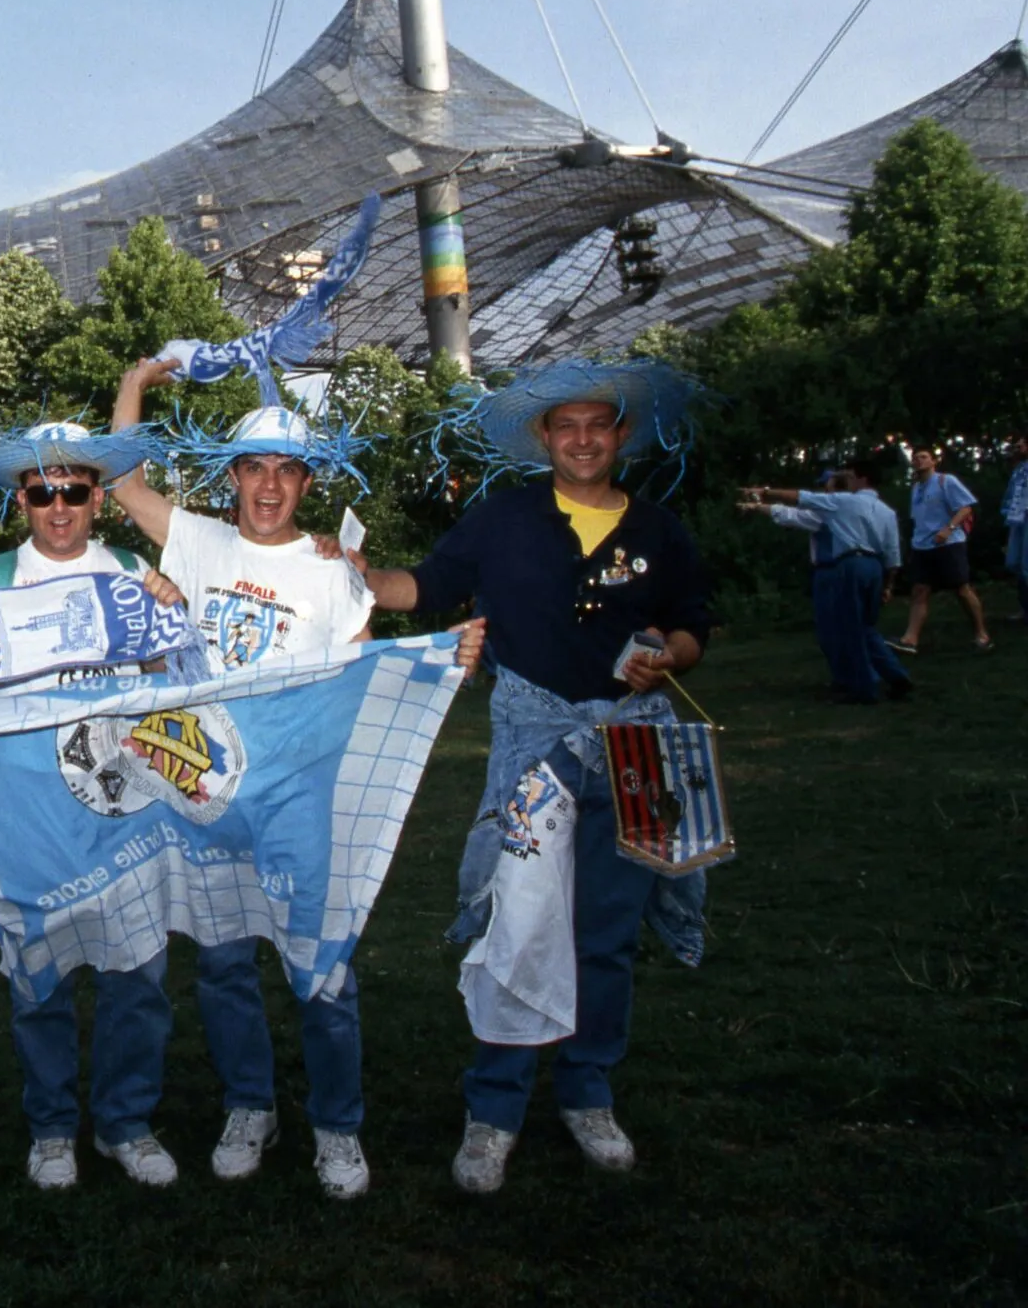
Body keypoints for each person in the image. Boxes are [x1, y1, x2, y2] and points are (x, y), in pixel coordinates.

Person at [108, 359, 470, 1200]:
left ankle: (338, 1126)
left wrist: (444, 657)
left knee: (323, 962)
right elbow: (122, 476)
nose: (269, 485)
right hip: (208, 792)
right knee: (226, 963)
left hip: (302, 797)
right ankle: (250, 1105)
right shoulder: (196, 540)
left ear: (306, 481)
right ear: (233, 476)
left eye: (287, 469)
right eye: (254, 467)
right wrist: (138, 379)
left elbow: (362, 678)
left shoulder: (332, 569)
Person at [356, 359, 710, 1194]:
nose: (583, 439)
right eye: (566, 426)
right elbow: (429, 585)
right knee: (516, 922)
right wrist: (364, 579)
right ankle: (496, 1108)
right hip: (535, 747)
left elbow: (694, 625)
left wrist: (672, 655)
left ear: (621, 434)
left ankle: (588, 1089)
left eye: (598, 425)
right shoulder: (505, 518)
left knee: (608, 932)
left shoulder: (659, 529)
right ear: (543, 438)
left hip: (633, 750)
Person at [0, 421, 187, 1191]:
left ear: (96, 499)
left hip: (124, 811)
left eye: (73, 491)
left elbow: (180, 686)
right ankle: (51, 1127)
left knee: (138, 976)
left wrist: (165, 617)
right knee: (37, 978)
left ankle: (126, 1121)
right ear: (21, 498)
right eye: (42, 491)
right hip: (26, 821)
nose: (57, 507)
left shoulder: (132, 573)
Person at [742, 454, 909, 702]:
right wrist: (889, 584)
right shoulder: (885, 511)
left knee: (849, 628)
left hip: (850, 563)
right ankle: (897, 677)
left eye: (850, 476)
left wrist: (764, 492)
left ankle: (863, 688)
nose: (847, 481)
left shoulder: (843, 502)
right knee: (865, 626)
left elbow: (799, 500)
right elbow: (893, 553)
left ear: (862, 479)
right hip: (875, 567)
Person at [890, 445, 991, 654]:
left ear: (933, 461)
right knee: (920, 590)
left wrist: (948, 528)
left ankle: (982, 634)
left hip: (949, 543)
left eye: (924, 457)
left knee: (961, 589)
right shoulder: (916, 488)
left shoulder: (946, 481)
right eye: (915, 457)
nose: (919, 460)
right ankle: (910, 639)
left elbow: (965, 507)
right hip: (922, 545)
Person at [1003, 434, 1028, 625]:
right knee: (1014, 563)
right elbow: (1011, 494)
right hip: (1017, 519)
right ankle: (1024, 607)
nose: (1018, 446)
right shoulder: (1019, 469)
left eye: (1022, 443)